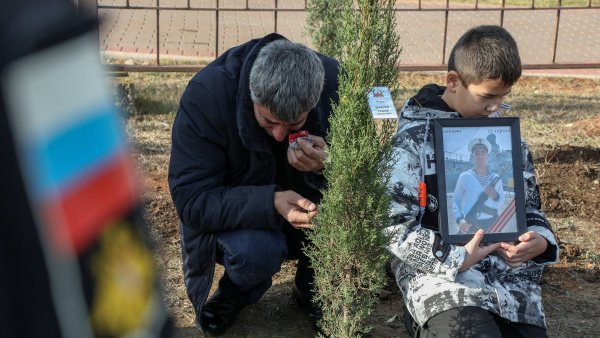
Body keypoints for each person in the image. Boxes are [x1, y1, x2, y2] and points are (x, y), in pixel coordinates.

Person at [386, 25, 559, 338]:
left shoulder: (507, 140)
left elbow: (529, 206)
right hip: (441, 283)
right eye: (487, 97)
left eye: (504, 98)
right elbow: (394, 226)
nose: (495, 108)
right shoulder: (412, 142)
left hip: (508, 283)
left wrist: (538, 238)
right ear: (454, 81)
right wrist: (458, 257)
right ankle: (423, 323)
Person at [168, 34, 338, 336]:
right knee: (255, 252)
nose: (278, 135)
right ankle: (235, 294)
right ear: (251, 95)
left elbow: (372, 169)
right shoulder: (207, 95)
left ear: (313, 102)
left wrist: (334, 161)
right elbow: (192, 200)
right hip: (242, 221)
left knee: (353, 212)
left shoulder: (336, 84)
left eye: (294, 125)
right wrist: (271, 202)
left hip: (309, 210)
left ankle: (313, 286)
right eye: (268, 121)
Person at [453, 137, 505, 234]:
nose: (480, 156)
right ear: (472, 156)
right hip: (470, 223)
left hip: (493, 223)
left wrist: (495, 196)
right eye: (477, 153)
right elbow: (456, 200)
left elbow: (502, 201)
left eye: (483, 153)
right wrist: (459, 220)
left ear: (487, 156)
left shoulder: (496, 177)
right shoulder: (464, 177)